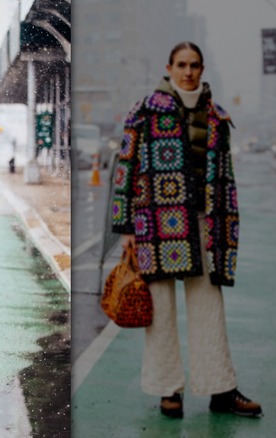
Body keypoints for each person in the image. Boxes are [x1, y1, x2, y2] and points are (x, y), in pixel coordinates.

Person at [111, 41, 262, 418]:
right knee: (160, 310)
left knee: (209, 307)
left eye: (195, 65)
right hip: (155, 226)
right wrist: (125, 224)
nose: (189, 71)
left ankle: (221, 389)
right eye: (182, 64)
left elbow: (224, 176)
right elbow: (125, 167)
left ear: (202, 68)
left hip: (203, 225)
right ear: (170, 67)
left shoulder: (216, 116)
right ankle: (168, 391)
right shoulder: (144, 111)